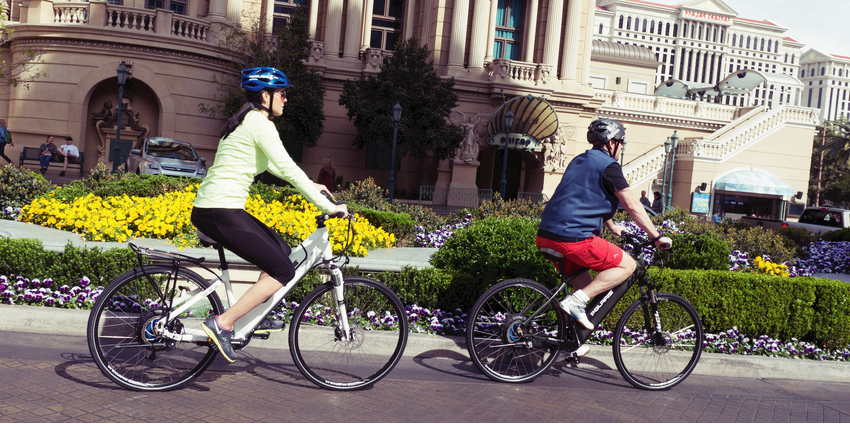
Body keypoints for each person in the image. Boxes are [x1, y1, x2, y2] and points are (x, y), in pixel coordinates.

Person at [192, 67, 348, 363]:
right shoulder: (260, 124)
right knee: (283, 271)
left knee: (282, 252)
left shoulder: (246, 121)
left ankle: (253, 313)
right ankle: (222, 324)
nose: (285, 99)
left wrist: (313, 185)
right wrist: (329, 207)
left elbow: (273, 166)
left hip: (218, 208)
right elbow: (289, 169)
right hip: (218, 210)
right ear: (265, 96)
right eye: (282, 93)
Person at [537, 118, 672, 358]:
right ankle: (574, 303)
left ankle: (571, 343)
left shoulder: (580, 160)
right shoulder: (609, 166)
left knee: (584, 286)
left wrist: (611, 225)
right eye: (621, 143)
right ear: (612, 143)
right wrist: (657, 236)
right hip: (573, 236)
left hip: (548, 234)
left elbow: (582, 196)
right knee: (628, 265)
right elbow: (631, 205)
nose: (621, 148)